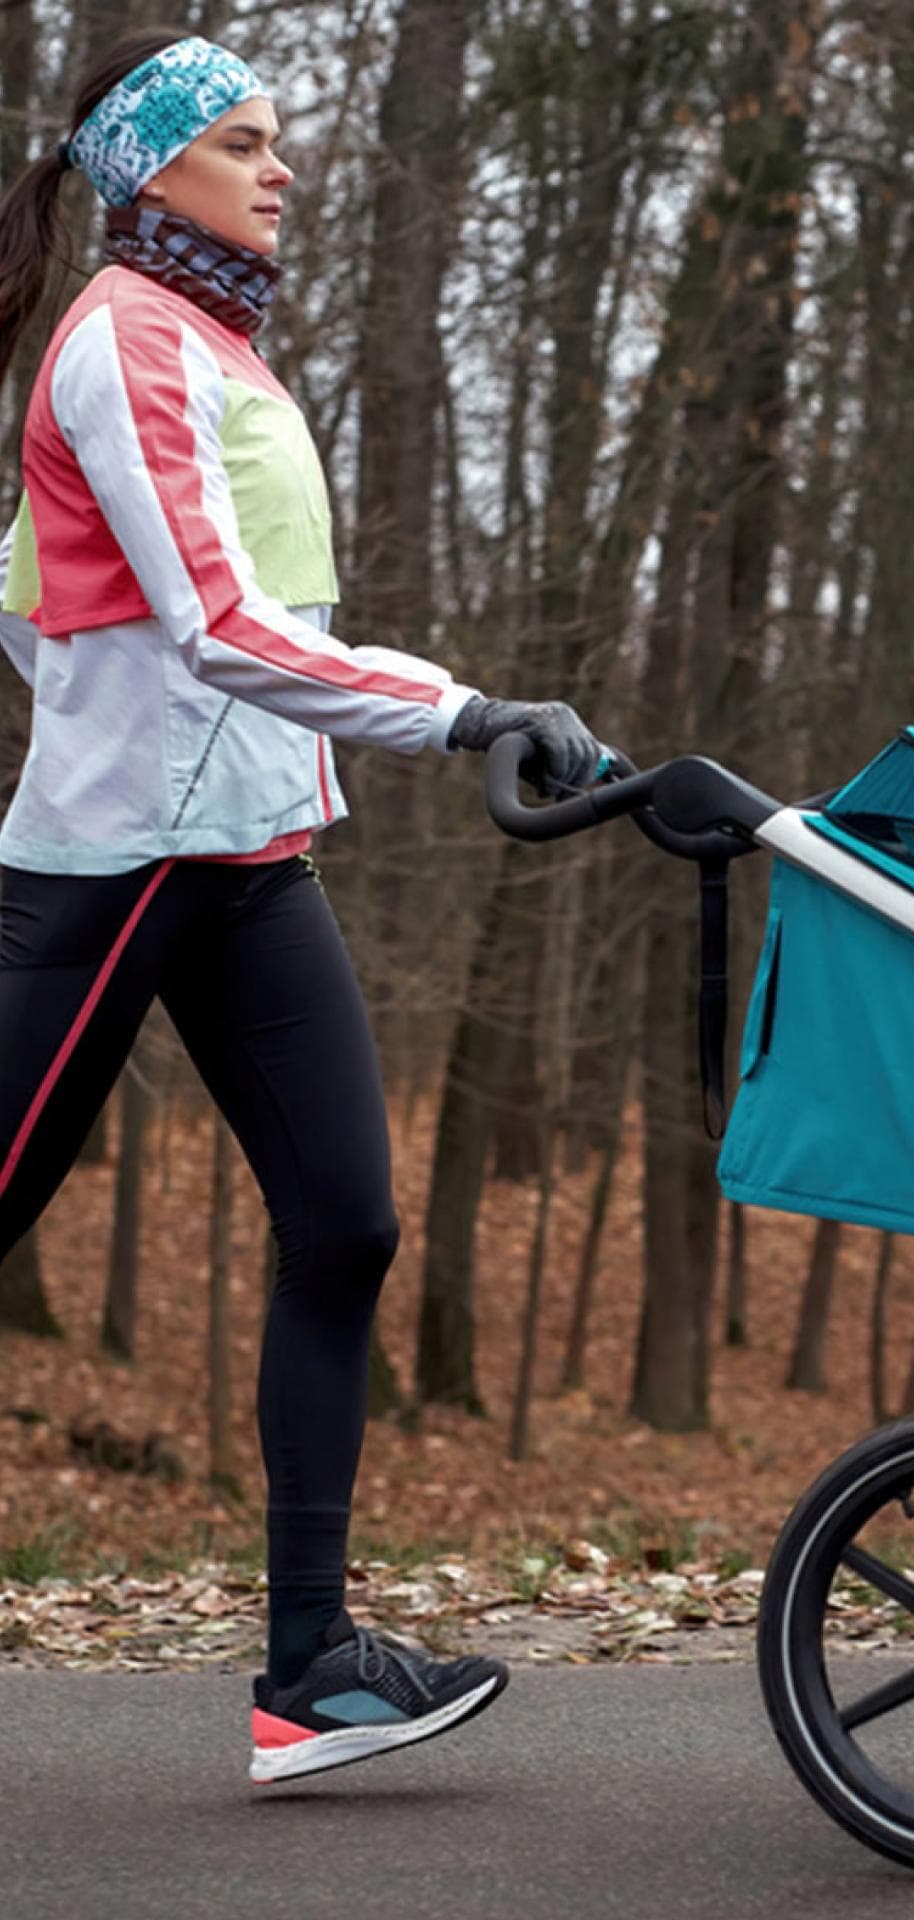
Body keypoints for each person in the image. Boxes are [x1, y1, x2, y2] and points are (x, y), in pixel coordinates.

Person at [0, 31, 606, 1784]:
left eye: (282, 141)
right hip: (114, 877)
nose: (282, 171)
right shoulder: (119, 343)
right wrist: (461, 711)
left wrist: (163, 726)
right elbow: (218, 622)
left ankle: (311, 1666)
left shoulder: (211, 347)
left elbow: (41, 592)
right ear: (149, 172)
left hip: (252, 866)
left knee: (347, 1226)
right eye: (247, 143)